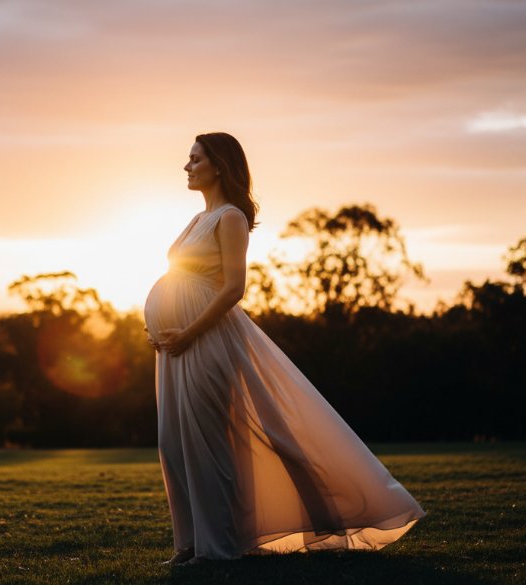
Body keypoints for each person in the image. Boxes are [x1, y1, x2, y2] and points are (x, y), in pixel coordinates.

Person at [143, 132, 426, 566]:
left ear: (219, 165)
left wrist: (189, 331)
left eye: (195, 159)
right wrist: (162, 327)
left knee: (208, 442)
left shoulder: (230, 218)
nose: (187, 166)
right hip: (174, 346)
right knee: (174, 442)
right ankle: (189, 544)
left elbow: (234, 288)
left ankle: (217, 549)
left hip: (205, 340)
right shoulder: (195, 220)